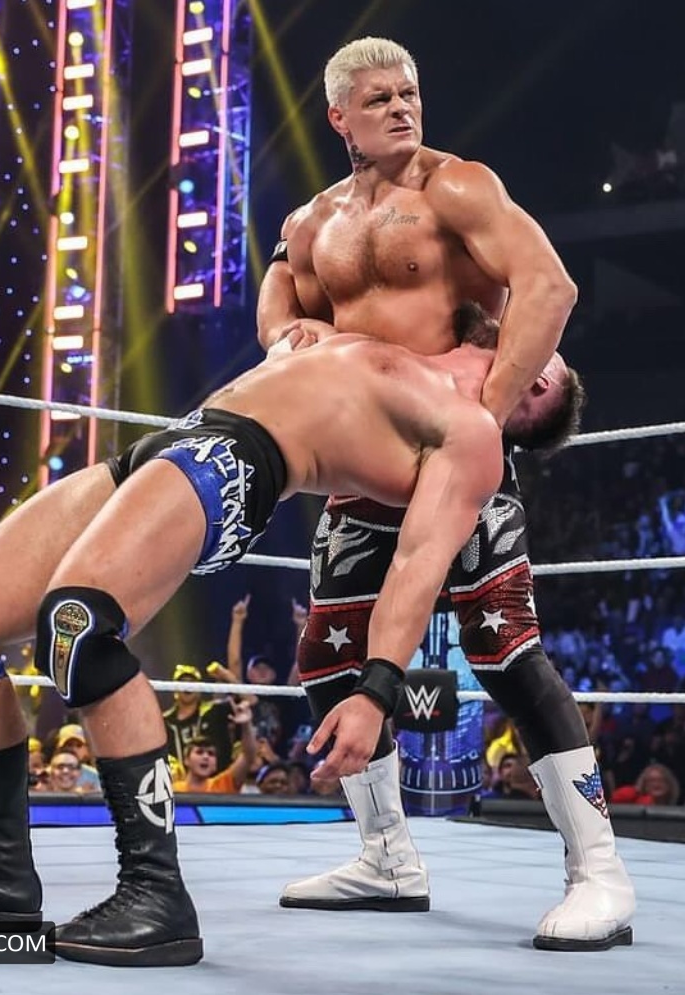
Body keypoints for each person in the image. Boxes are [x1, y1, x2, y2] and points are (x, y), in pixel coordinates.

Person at [0, 304, 574, 965]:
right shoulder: (408, 336)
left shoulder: (471, 434)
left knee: (77, 626)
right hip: (175, 439)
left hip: (236, 463)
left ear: (541, 376)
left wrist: (375, 691)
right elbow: (290, 273)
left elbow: (417, 564)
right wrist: (284, 311)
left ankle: (155, 895)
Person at [256, 36, 634, 951]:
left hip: (453, 451)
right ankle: (386, 856)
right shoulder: (313, 222)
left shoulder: (457, 187)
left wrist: (483, 420)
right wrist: (294, 341)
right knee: (326, 658)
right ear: (339, 117)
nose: (401, 107)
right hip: (364, 467)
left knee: (506, 652)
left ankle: (600, 871)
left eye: (410, 92)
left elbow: (549, 285)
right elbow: (280, 309)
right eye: (378, 98)